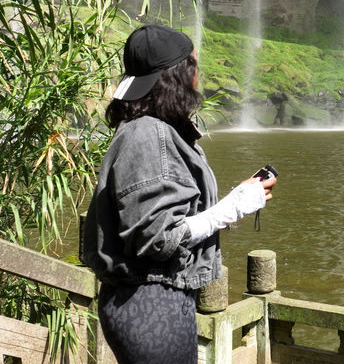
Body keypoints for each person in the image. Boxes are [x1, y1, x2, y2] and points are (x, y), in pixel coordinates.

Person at [82, 24, 276, 364]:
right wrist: (231, 208)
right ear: (178, 74)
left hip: (156, 300)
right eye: (194, 65)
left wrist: (236, 201)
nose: (199, 75)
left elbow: (167, 216)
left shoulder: (152, 130)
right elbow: (156, 238)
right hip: (150, 303)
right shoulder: (148, 135)